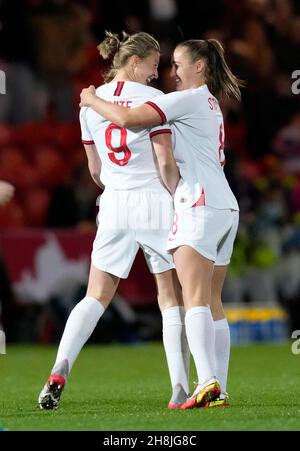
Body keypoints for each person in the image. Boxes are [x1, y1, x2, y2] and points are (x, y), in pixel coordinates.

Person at [80, 38, 243, 409]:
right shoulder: (211, 104)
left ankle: (208, 382)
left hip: (198, 204)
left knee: (195, 298)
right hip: (225, 206)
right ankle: (219, 386)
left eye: (179, 65)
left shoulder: (186, 99)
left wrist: (91, 100)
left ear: (200, 67)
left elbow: (127, 118)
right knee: (213, 301)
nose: (172, 73)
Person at [38, 31, 190, 410]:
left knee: (95, 296)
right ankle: (179, 388)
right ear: (134, 61)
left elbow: (95, 170)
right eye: (155, 65)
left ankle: (60, 368)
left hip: (115, 203)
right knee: (171, 299)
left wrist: (118, 187)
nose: (158, 74)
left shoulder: (89, 103)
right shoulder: (156, 101)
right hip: (156, 200)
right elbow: (166, 162)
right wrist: (179, 197)